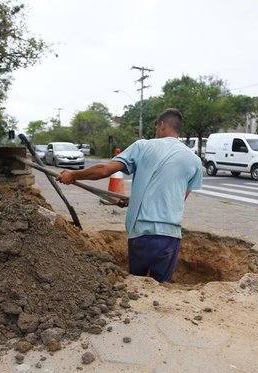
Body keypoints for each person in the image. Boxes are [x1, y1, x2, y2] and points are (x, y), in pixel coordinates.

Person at [56, 108, 203, 282]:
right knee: (162, 289)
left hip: (141, 233)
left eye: (157, 127)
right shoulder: (195, 160)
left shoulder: (143, 146)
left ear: (162, 125)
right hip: (170, 236)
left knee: (136, 285)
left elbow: (105, 169)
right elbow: (178, 198)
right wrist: (136, 200)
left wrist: (73, 176)